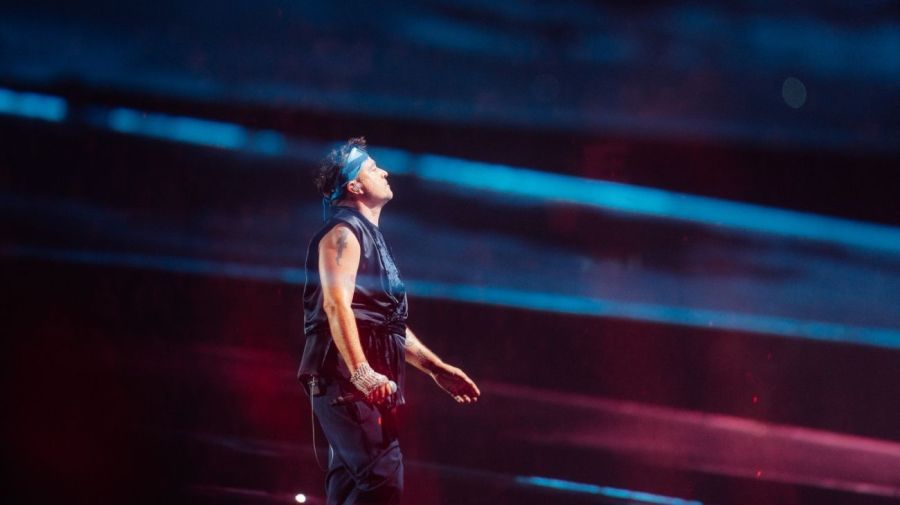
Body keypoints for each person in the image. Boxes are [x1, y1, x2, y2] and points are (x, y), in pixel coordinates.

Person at [298, 137, 481, 504]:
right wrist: (362, 373)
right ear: (354, 186)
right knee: (382, 480)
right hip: (347, 382)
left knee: (351, 487)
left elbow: (389, 323)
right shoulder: (342, 234)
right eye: (371, 168)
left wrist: (435, 368)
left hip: (363, 383)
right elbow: (336, 306)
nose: (383, 171)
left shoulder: (368, 237)